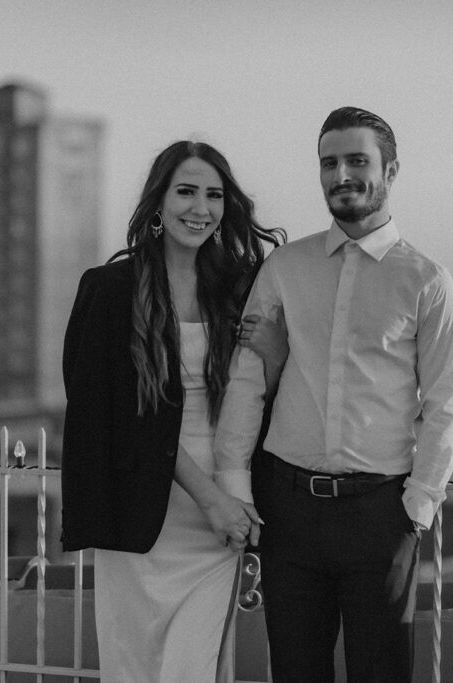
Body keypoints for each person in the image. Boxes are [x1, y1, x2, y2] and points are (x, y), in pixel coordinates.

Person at [216, 107, 453, 682]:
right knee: (295, 671)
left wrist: (417, 507)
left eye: (357, 160)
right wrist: (235, 482)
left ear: (391, 169)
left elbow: (447, 404)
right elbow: (247, 382)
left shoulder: (428, 282)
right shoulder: (284, 267)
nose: (341, 175)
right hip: (288, 509)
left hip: (380, 512)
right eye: (329, 163)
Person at [59, 140, 285, 683]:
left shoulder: (239, 287)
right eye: (185, 191)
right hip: (142, 505)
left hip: (224, 501)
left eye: (213, 195)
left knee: (192, 669)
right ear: (158, 202)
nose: (199, 208)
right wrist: (209, 500)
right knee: (132, 669)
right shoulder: (109, 290)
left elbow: (260, 396)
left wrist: (275, 357)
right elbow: (104, 413)